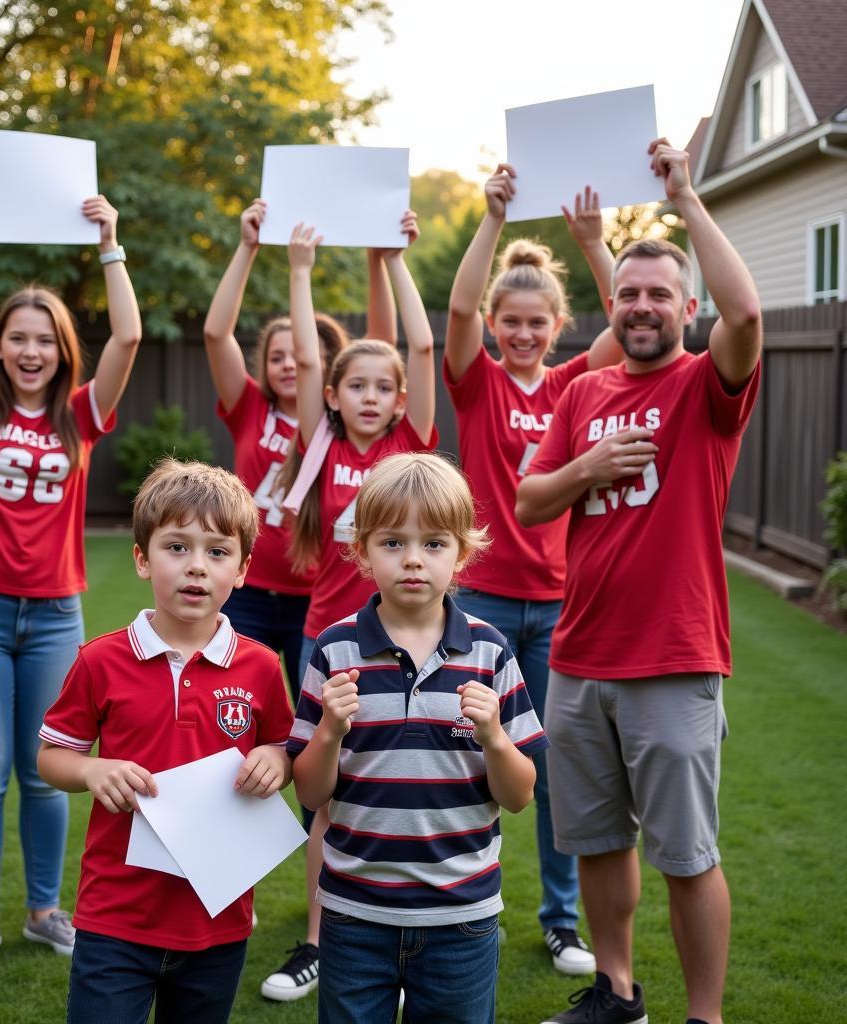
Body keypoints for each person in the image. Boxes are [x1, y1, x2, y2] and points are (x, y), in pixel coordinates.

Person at [516, 138, 762, 1024]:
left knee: (686, 854)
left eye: (660, 293)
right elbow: (530, 499)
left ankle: (705, 1017)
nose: (643, 306)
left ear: (686, 307)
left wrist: (688, 201)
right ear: (611, 309)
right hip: (581, 657)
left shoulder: (705, 385)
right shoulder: (584, 392)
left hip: (673, 657)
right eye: (628, 294)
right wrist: (586, 468)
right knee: (596, 840)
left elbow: (749, 314)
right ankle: (616, 994)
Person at [0, 186, 142, 974]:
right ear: (1, 349)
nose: (33, 350)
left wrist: (110, 243)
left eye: (46, 338)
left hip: (53, 617)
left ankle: (45, 911)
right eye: (19, 338)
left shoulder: (81, 416)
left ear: (61, 348)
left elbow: (131, 334)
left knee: (47, 773)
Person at [201, 198, 398, 1002]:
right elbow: (218, 337)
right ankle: (218, 887)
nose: (290, 362)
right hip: (253, 602)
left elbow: (389, 352)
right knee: (234, 748)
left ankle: (328, 927)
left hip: (316, 607)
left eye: (305, 350)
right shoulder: (254, 410)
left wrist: (381, 256)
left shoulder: (343, 421)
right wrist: (254, 252)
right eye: (278, 351)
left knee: (319, 758)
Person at [247, 213, 437, 1002]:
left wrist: (394, 263)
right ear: (332, 396)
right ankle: (320, 942)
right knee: (324, 791)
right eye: (353, 385)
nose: (367, 395)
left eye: (380, 386)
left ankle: (410, 944)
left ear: (398, 398)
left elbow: (421, 348)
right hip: (333, 642)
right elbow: (310, 345)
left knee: (407, 792)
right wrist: (299, 267)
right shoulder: (322, 443)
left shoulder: (410, 445)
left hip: (410, 644)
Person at [288, 451, 548, 1023]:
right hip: (354, 912)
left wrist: (496, 740)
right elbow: (309, 795)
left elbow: (520, 794)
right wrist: (329, 730)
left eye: (433, 543)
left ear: (462, 553)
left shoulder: (489, 652)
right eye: (392, 542)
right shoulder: (334, 650)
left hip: (462, 915)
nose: (412, 560)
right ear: (361, 550)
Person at [37, 460, 294, 1024]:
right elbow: (52, 757)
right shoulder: (100, 660)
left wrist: (276, 758)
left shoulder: (260, 665)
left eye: (217, 552)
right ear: (141, 558)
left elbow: (282, 746)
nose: (196, 567)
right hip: (115, 916)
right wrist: (91, 771)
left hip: (218, 918)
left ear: (244, 569)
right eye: (177, 547)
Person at [444, 166, 621, 974]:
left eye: (534, 322)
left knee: (551, 770)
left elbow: (627, 316)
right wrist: (489, 218)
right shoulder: (477, 383)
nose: (520, 333)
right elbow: (453, 311)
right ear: (495, 324)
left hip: (558, 608)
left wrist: (594, 244)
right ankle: (445, 895)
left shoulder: (574, 384)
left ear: (556, 327)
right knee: (458, 754)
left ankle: (559, 920)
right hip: (478, 599)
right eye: (507, 321)